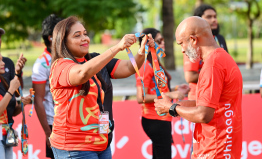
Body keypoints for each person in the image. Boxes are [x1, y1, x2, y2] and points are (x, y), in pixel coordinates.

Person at [49, 16, 155, 159]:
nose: (85, 38)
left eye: (85, 33)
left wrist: (143, 51)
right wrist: (117, 47)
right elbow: (82, 73)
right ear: (63, 41)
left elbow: (129, 67)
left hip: (101, 143)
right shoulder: (60, 66)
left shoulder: (95, 60)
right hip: (74, 147)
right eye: (77, 35)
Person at [154, 16, 243, 158]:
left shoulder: (212, 65)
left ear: (194, 40)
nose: (182, 50)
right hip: (223, 147)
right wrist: (175, 105)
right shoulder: (222, 57)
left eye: (182, 43)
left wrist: (171, 108)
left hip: (215, 149)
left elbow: (203, 114)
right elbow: (210, 104)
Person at [136, 28, 189, 159]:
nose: (163, 44)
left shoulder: (155, 63)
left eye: (163, 40)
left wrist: (176, 89)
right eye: (159, 41)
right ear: (148, 43)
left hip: (161, 117)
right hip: (155, 120)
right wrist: (170, 95)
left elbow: (159, 88)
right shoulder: (145, 65)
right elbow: (141, 97)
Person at [32, 14, 62, 159]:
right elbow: (38, 99)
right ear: (51, 37)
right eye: (61, 32)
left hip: (72, 121)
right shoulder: (41, 63)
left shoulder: (67, 56)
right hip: (54, 124)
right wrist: (47, 132)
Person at [0, 30, 32, 159]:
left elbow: (12, 109)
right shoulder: (8, 87)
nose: (3, 63)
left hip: (7, 131)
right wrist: (10, 91)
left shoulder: (7, 68)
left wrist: (22, 104)